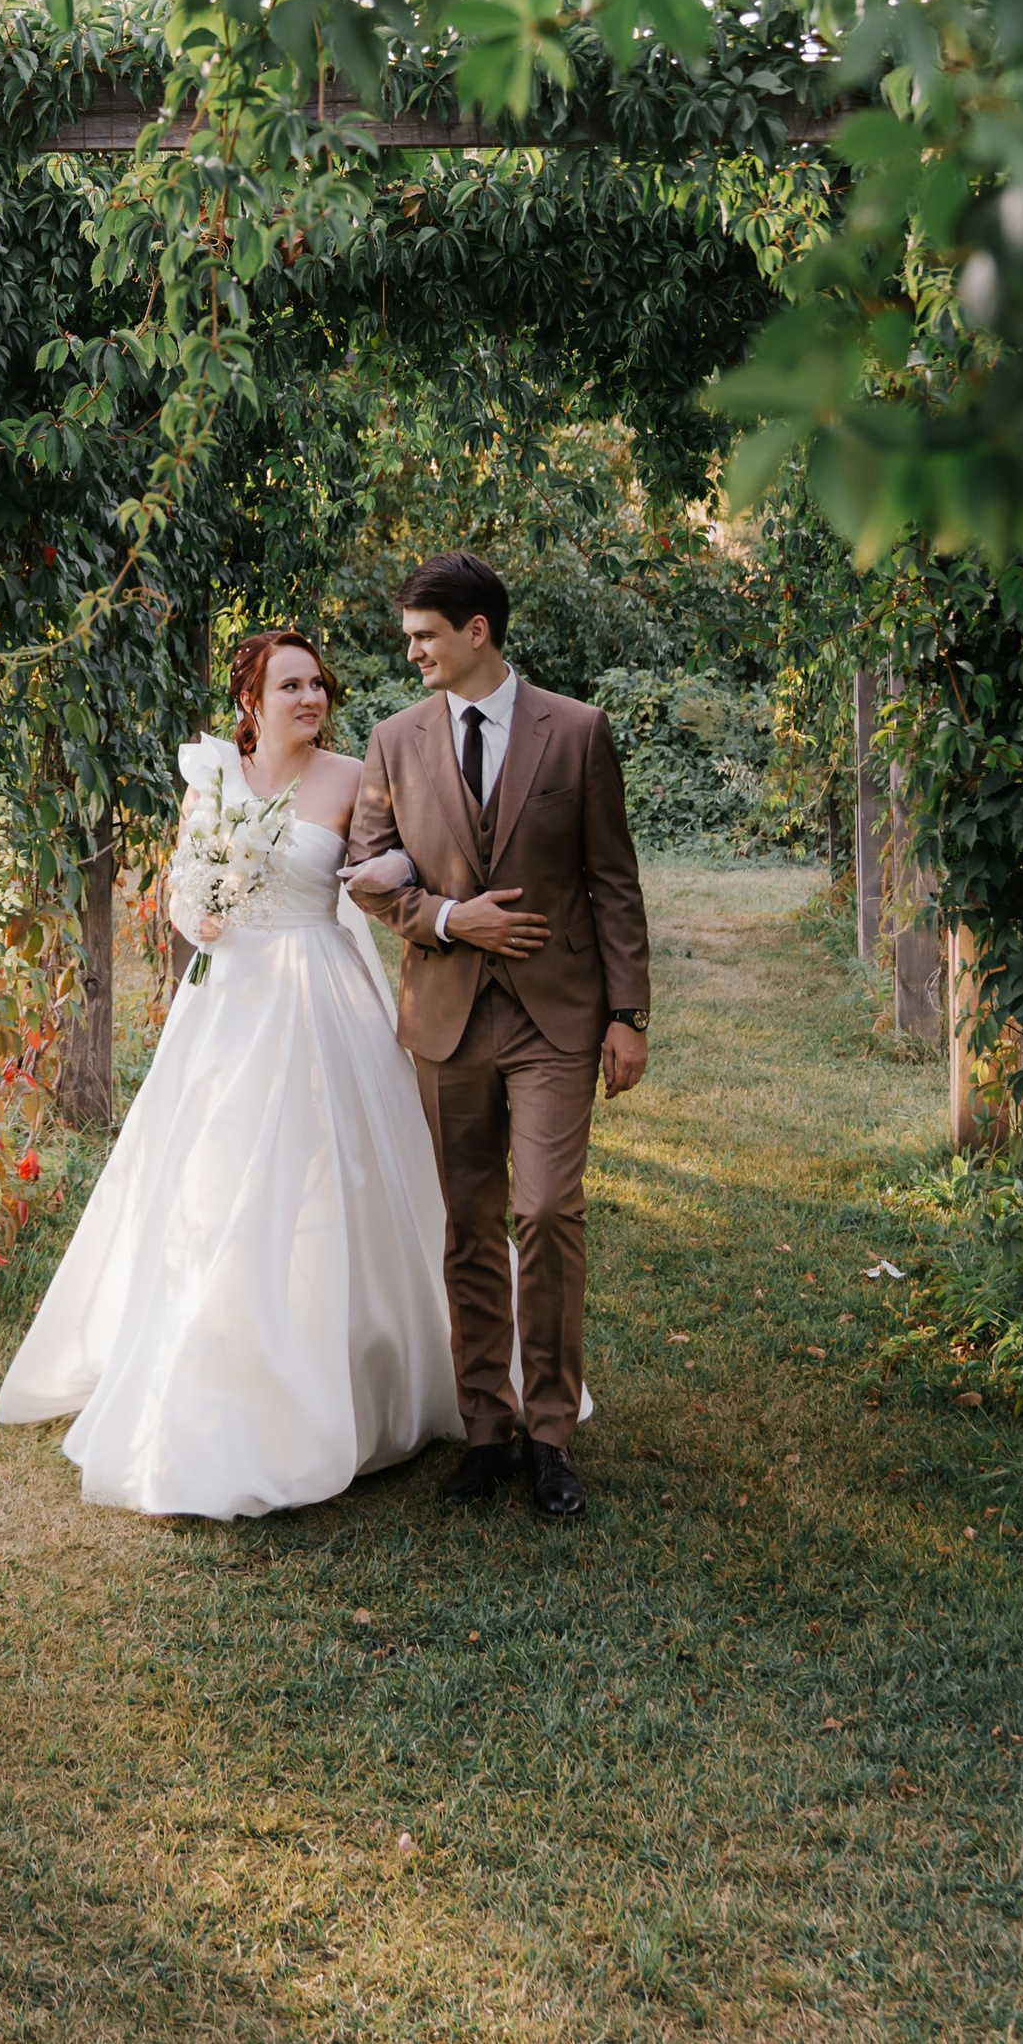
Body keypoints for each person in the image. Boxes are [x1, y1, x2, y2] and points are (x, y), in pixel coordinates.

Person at [0, 628, 461, 1518]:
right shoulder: (211, 778)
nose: (311, 699)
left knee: (336, 1172)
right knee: (212, 1174)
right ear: (252, 700)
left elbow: (396, 863)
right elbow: (183, 882)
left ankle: (355, 1368)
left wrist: (389, 866)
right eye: (291, 686)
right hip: (230, 997)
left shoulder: (351, 776)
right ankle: (211, 1359)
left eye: (317, 684)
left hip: (320, 993)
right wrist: (194, 915)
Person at [343, 549, 649, 1524]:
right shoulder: (393, 741)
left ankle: (551, 1433)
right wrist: (447, 918)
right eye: (409, 637)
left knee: (547, 1211)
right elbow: (367, 871)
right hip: (446, 1017)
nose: (412, 652)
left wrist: (627, 1015)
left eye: (425, 635)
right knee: (467, 1223)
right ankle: (487, 1429)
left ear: (477, 632)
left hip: (556, 1016)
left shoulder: (578, 732)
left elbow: (612, 881)